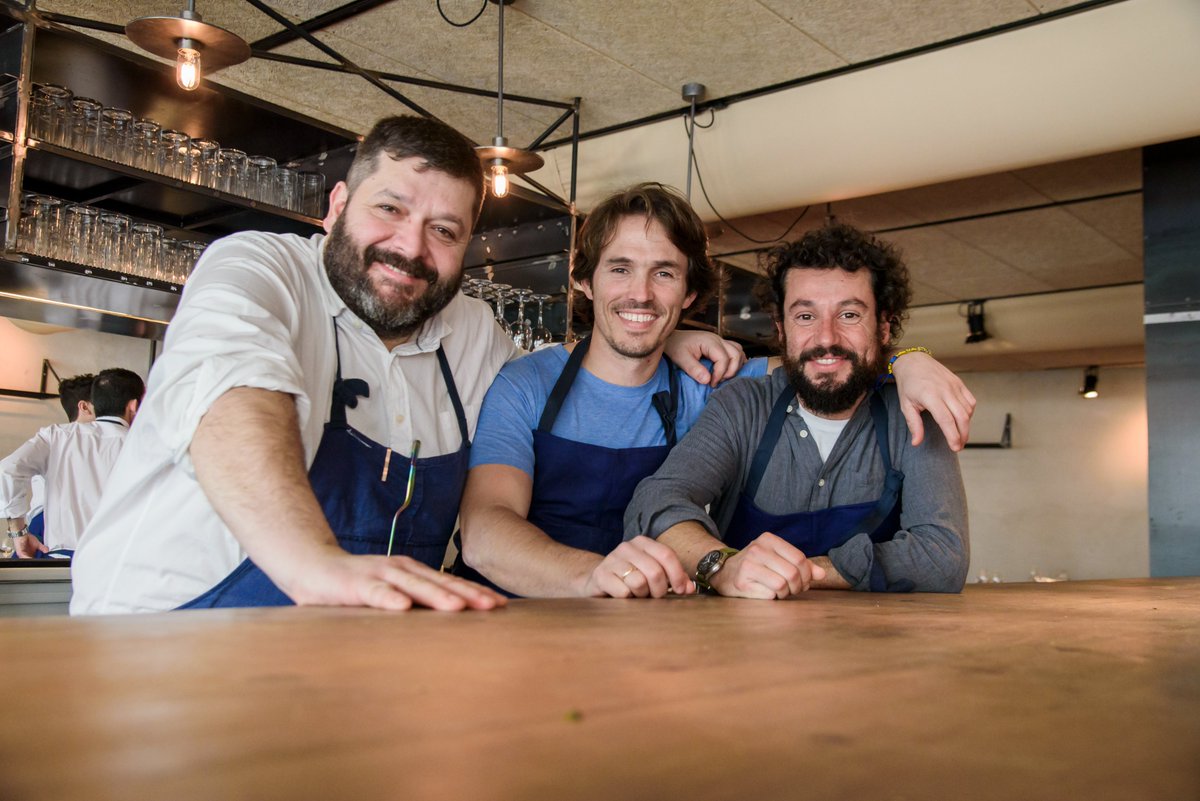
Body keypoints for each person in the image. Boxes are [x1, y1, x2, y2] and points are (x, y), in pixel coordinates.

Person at [68, 116, 738, 615]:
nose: (409, 247)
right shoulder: (258, 269)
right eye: (389, 208)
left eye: (444, 230)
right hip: (159, 644)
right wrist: (316, 566)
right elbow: (234, 400)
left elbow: (577, 374)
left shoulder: (470, 332)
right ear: (335, 207)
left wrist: (653, 334)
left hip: (359, 665)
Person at [459, 188, 973, 599]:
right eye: (620, 268)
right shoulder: (525, 385)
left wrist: (909, 359)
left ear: (689, 295)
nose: (640, 293)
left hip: (635, 623)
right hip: (511, 614)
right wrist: (597, 576)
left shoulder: (708, 386)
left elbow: (822, 359)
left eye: (664, 273)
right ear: (584, 282)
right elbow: (486, 532)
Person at [624, 223, 970, 598]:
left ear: (883, 328)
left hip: (873, 647)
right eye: (805, 316)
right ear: (782, 330)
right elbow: (654, 504)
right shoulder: (743, 406)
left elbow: (942, 558)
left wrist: (809, 570)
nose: (826, 338)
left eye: (849, 315)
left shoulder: (913, 413)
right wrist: (722, 566)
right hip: (734, 645)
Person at [2, 368, 143, 558]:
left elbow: (8, 470)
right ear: (134, 406)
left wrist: (18, 533)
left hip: (60, 563)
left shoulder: (56, 436)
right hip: (120, 564)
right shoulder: (147, 445)